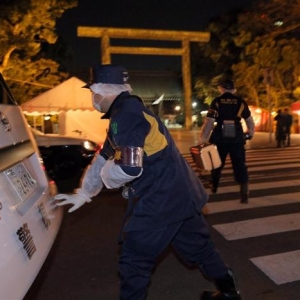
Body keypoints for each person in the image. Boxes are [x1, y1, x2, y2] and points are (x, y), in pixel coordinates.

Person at [54, 64, 242, 300]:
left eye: (93, 93)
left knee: (134, 259)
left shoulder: (126, 115)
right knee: (200, 249)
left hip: (161, 200)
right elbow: (104, 156)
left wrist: (103, 181)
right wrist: (84, 192)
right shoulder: (127, 111)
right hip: (182, 195)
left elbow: (129, 167)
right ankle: (229, 292)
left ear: (104, 91)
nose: (92, 99)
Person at [198, 79, 255, 204]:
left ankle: (214, 185)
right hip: (237, 138)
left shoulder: (217, 102)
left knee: (217, 163)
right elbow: (249, 120)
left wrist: (203, 138)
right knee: (240, 164)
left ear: (221, 89)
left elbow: (209, 122)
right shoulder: (241, 102)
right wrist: (250, 133)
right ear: (233, 89)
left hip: (220, 138)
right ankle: (244, 192)